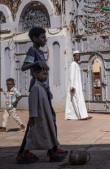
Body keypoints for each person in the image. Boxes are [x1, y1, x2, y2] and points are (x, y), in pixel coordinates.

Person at [17, 27, 67, 164]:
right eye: (42, 37)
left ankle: (52, 149)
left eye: (45, 37)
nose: (44, 39)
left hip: (44, 90)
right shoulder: (32, 51)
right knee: (36, 122)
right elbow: (24, 67)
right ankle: (29, 152)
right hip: (37, 90)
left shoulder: (40, 52)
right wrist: (36, 62)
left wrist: (48, 90)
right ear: (34, 39)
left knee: (49, 119)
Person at [19, 65, 65, 163]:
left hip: (44, 117)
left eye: (47, 74)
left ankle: (52, 154)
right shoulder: (35, 88)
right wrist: (32, 116)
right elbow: (33, 103)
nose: (46, 76)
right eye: (43, 74)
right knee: (32, 137)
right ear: (36, 75)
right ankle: (23, 156)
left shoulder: (42, 87)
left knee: (48, 135)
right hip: (38, 118)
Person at [65, 51, 91, 120]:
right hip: (74, 86)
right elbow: (71, 76)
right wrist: (72, 86)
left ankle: (83, 115)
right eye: (77, 56)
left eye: (79, 56)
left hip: (77, 85)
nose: (78, 57)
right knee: (76, 100)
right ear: (74, 56)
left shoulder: (76, 65)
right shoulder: (73, 64)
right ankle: (81, 116)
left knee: (79, 100)